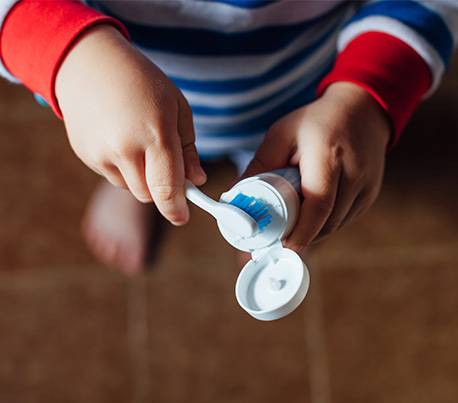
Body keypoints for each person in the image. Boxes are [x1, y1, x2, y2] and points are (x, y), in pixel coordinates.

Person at [1, 0, 456, 274]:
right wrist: (71, 56)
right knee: (143, 159)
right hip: (120, 95)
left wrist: (364, 96)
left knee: (297, 181)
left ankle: (275, 227)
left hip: (304, 100)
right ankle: (135, 187)